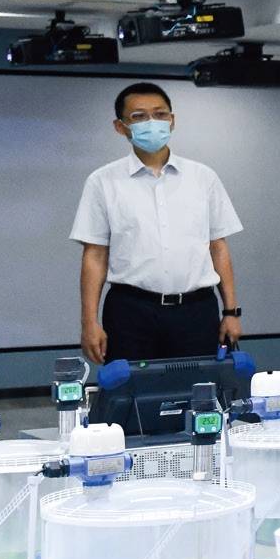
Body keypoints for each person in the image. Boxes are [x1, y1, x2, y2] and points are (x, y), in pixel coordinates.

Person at [72, 82, 245, 364]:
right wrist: (89, 322)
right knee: (131, 388)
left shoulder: (203, 178)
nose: (152, 122)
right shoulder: (102, 181)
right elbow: (95, 255)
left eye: (160, 114)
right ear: (120, 127)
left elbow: (218, 247)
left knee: (196, 387)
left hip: (196, 309)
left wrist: (231, 312)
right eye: (139, 116)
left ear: (172, 121)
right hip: (130, 310)